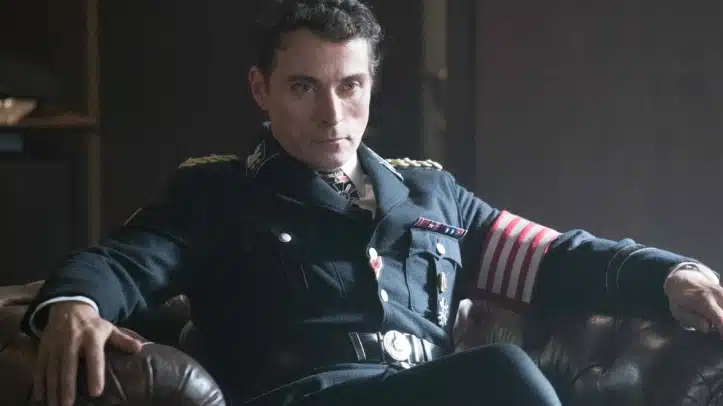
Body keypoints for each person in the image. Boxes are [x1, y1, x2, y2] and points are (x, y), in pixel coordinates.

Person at [21, 0, 723, 405]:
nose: (332, 114)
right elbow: (122, 262)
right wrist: (73, 304)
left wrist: (669, 275)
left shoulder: (430, 194)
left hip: (424, 391)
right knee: (506, 375)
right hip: (304, 396)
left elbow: (553, 258)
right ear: (262, 90)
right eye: (304, 87)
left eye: (349, 85)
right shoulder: (217, 194)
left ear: (370, 85)